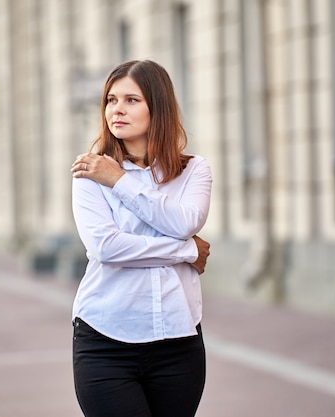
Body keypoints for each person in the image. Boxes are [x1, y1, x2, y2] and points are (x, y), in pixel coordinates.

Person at [70, 60, 213, 417]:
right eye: (111, 100)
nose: (117, 109)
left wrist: (119, 180)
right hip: (105, 340)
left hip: (178, 343)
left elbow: (184, 222)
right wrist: (185, 251)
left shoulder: (194, 170)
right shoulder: (89, 173)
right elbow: (106, 248)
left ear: (157, 107)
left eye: (131, 100)